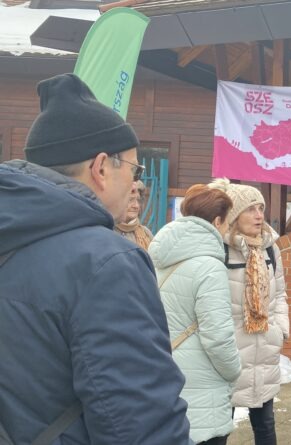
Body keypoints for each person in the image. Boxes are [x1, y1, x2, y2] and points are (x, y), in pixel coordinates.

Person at [0, 73, 191, 443]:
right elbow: (141, 424)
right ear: (101, 167)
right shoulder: (106, 263)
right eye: (135, 169)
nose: (136, 184)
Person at [148, 184, 242, 445]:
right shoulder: (210, 266)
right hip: (203, 388)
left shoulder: (157, 256)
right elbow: (218, 337)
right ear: (217, 221)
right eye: (227, 222)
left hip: (164, 373)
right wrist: (234, 371)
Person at [208, 178, 289, 445]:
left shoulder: (270, 248)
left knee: (265, 426)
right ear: (233, 215)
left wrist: (280, 329)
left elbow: (280, 294)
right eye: (250, 209)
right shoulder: (219, 249)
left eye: (261, 208)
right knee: (219, 429)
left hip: (264, 349)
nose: (258, 215)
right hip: (230, 354)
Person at [114, 180, 154, 250]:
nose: (136, 206)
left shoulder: (146, 234)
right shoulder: (106, 231)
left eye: (138, 200)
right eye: (130, 200)